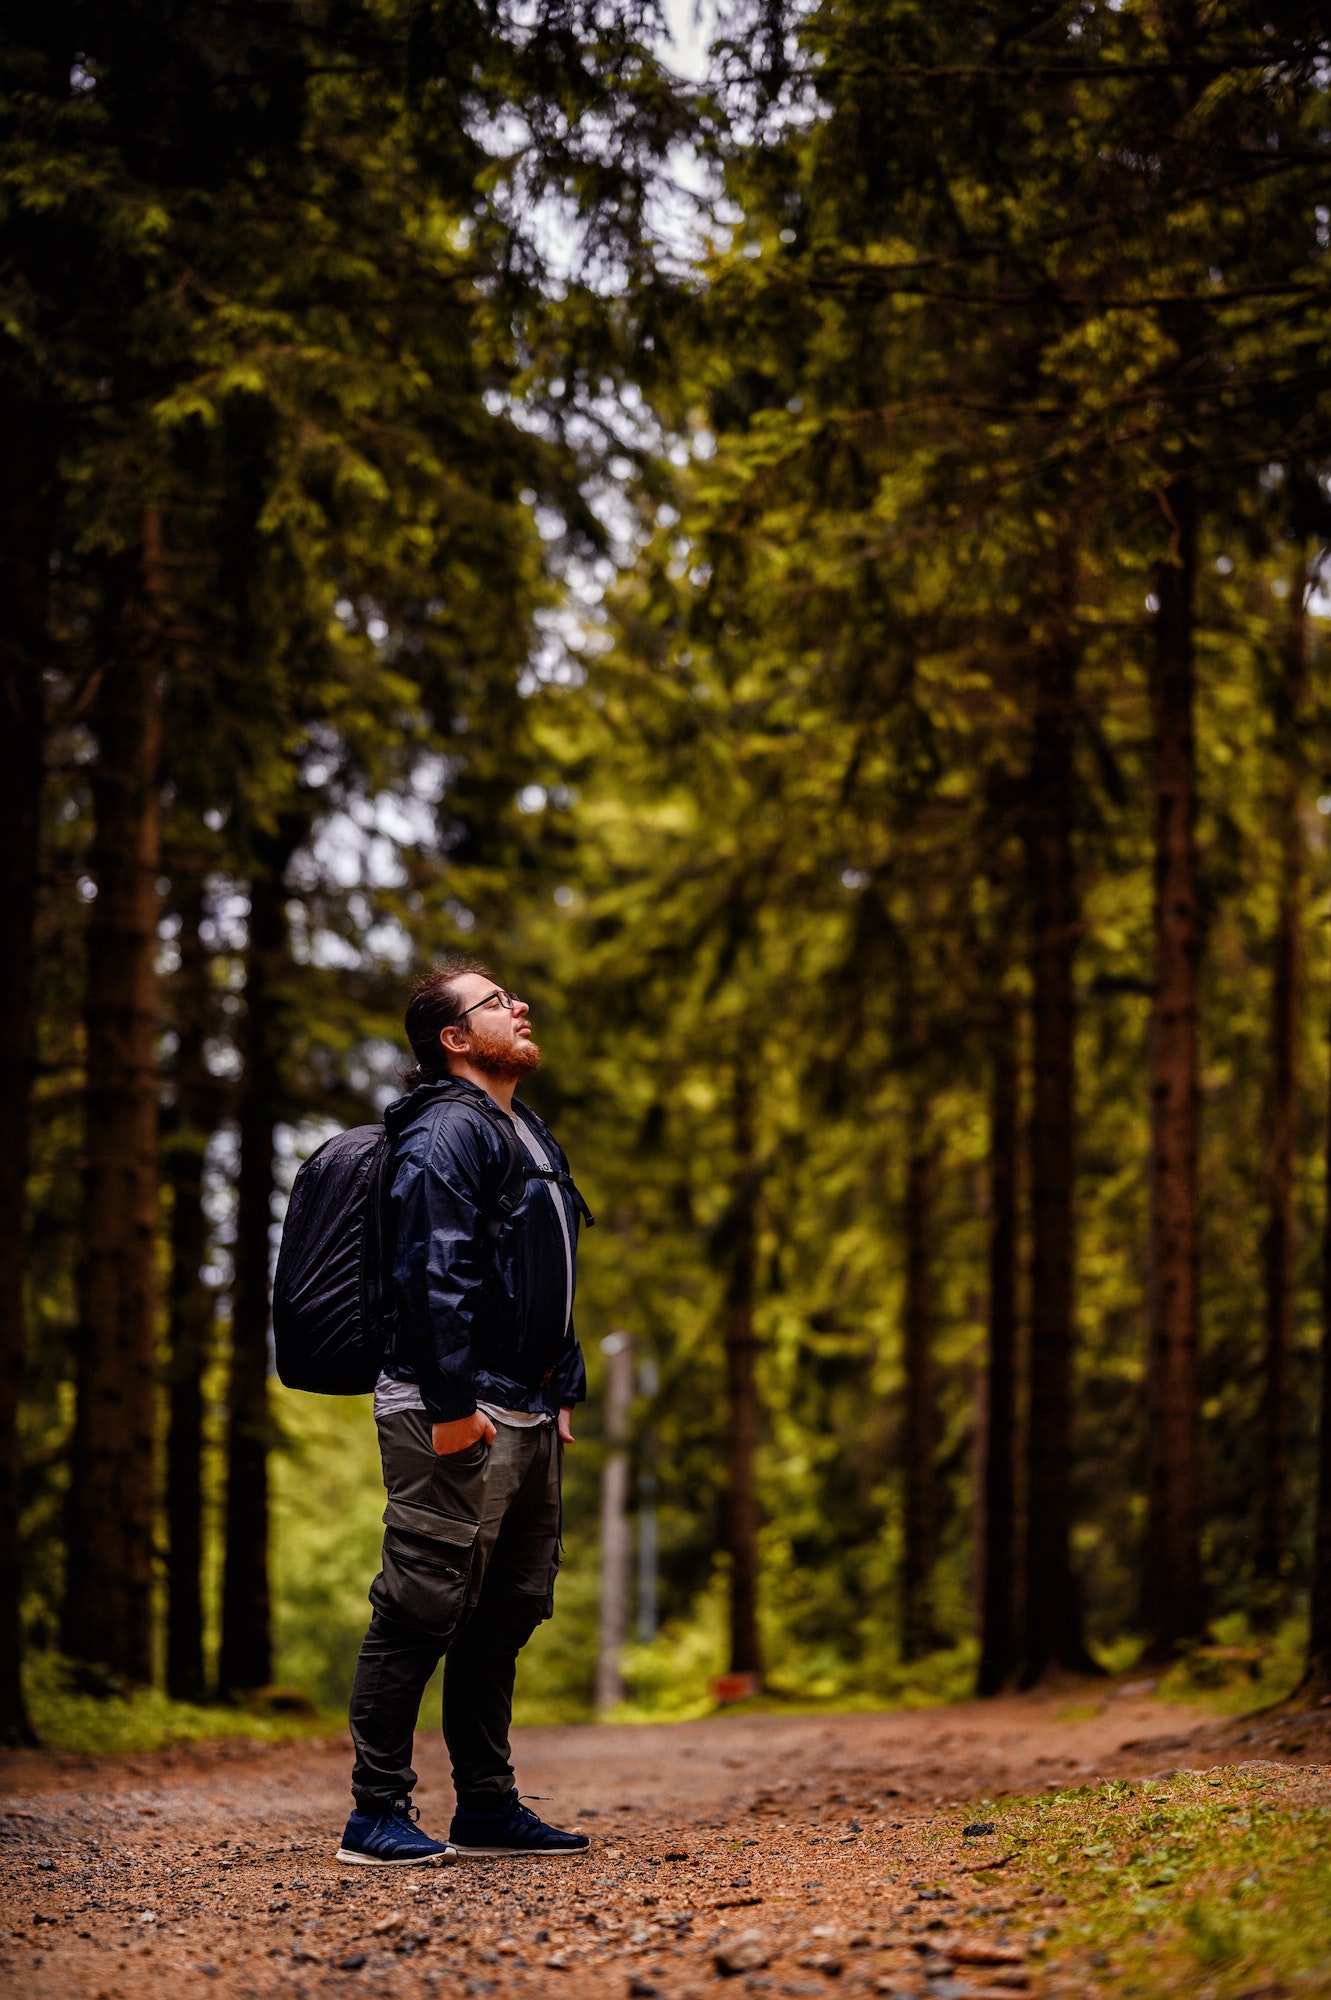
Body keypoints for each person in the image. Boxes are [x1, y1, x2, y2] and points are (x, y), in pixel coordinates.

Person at [336, 961, 592, 1866]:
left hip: (524, 1407)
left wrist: (562, 1380)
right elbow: (428, 1270)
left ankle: (484, 1805)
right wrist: (449, 1406)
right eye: (494, 1003)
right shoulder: (446, 1130)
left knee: (503, 1611)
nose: (519, 1005)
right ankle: (375, 1814)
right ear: (453, 1040)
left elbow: (542, 1268)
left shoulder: (522, 1129)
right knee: (419, 1606)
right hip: (455, 1405)